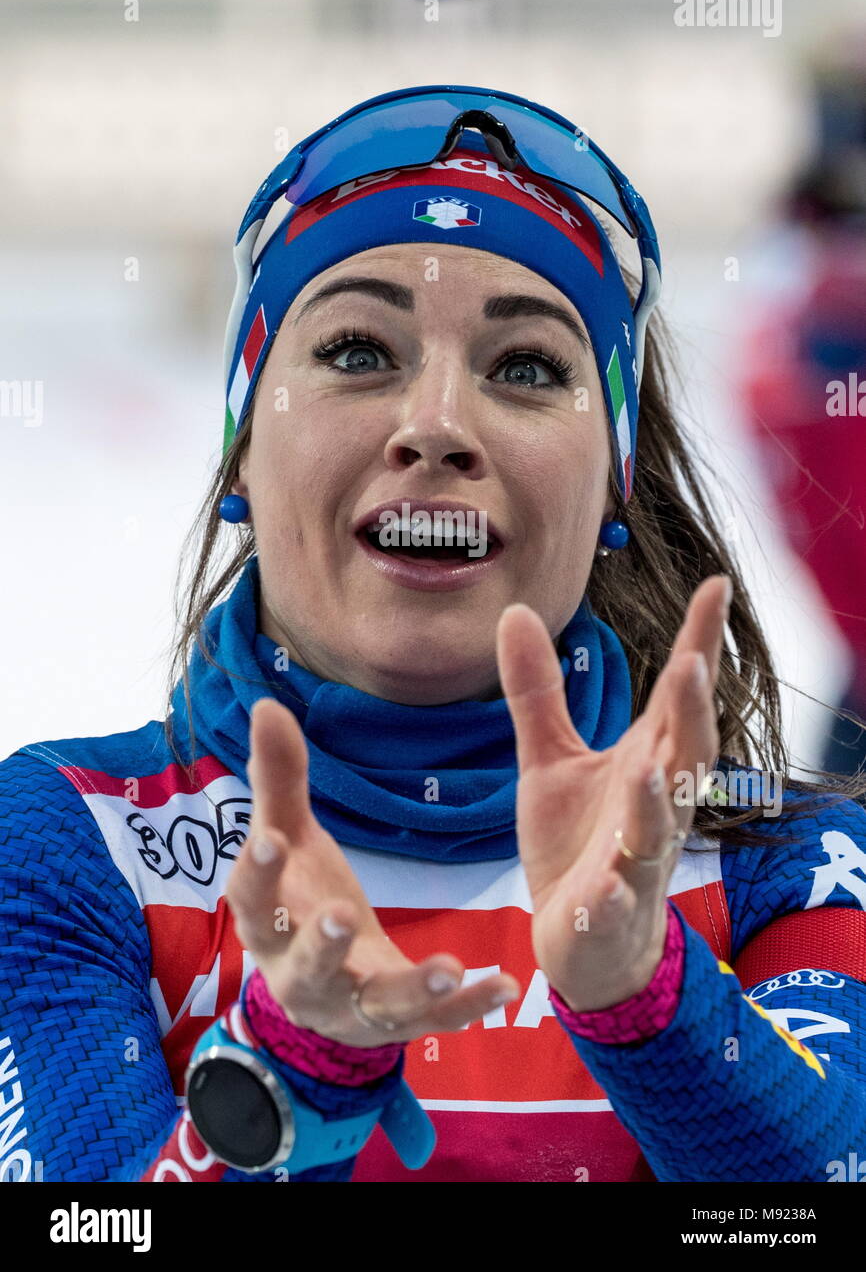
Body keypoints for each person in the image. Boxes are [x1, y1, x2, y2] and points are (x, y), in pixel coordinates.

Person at [1, 86, 866, 1184]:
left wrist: (644, 997)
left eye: (525, 368)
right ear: (237, 451)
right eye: (359, 350)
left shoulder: (780, 861)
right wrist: (294, 1073)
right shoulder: (69, 842)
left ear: (614, 479)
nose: (436, 425)